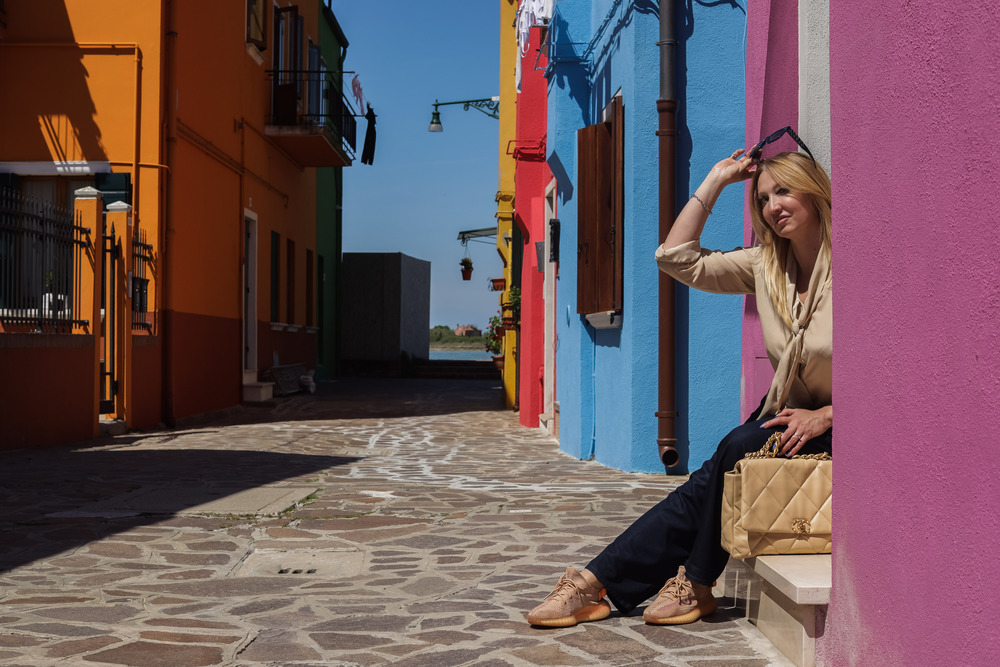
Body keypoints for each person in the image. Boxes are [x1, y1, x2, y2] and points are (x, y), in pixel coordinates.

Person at [526, 141, 833, 628]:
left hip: (839, 422)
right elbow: (675, 257)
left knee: (736, 448)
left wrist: (826, 416)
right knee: (707, 483)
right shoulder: (766, 266)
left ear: (813, 192)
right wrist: (717, 180)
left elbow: (895, 373)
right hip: (787, 417)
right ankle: (598, 582)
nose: (772, 206)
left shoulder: (856, 268)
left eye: (784, 192)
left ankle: (687, 580)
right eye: (762, 199)